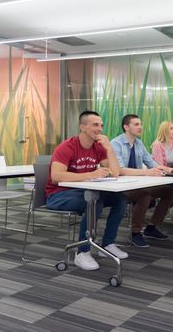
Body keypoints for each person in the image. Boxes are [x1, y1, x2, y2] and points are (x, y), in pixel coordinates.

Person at [45, 110, 128, 271]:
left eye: (101, 125)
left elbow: (116, 172)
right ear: (83, 127)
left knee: (120, 199)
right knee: (94, 202)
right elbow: (56, 176)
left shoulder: (98, 147)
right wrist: (91, 174)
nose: (100, 129)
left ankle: (108, 244)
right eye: (95, 125)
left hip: (81, 192)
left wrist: (109, 149)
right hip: (58, 194)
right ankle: (82, 253)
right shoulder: (67, 147)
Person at [111, 114, 173, 248]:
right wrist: (147, 172)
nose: (140, 127)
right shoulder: (115, 144)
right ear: (126, 127)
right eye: (136, 124)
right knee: (144, 195)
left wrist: (169, 170)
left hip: (138, 183)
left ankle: (151, 228)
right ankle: (135, 233)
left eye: (140, 124)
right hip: (121, 187)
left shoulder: (139, 143)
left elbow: (151, 163)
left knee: (168, 192)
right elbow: (121, 170)